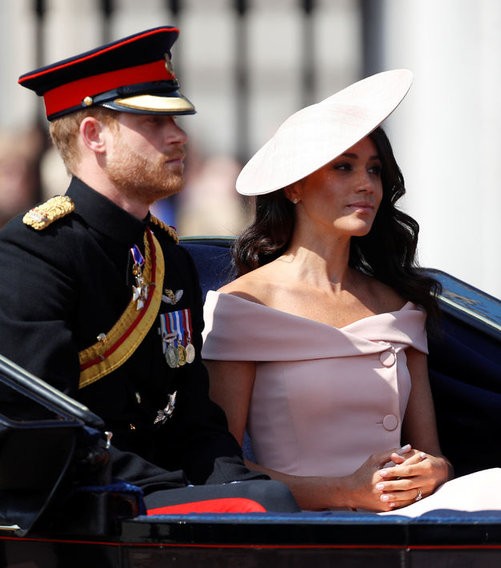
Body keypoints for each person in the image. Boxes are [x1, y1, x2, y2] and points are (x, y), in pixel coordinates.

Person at [0, 26, 299, 517]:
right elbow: (42, 426)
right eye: (152, 123)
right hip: (86, 508)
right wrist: (179, 489)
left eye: (176, 121)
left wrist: (231, 483)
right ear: (94, 136)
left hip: (150, 496)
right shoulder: (33, 254)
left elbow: (194, 418)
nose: (178, 136)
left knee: (268, 503)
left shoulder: (165, 255)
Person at [202, 69, 501, 515]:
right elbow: (223, 473)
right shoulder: (242, 306)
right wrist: (347, 491)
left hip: (406, 526)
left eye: (374, 170)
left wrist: (432, 472)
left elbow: (433, 454)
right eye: (344, 167)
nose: (367, 184)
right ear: (295, 186)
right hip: (304, 535)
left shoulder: (399, 303)